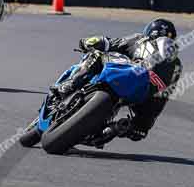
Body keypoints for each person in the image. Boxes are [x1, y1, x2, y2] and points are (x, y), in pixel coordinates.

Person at [52, 18, 182, 141]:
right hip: (143, 96)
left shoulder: (140, 39)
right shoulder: (176, 66)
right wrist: (144, 124)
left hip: (126, 74)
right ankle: (114, 128)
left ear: (149, 32)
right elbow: (163, 96)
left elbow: (108, 43)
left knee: (97, 54)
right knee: (138, 127)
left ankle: (72, 83)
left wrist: (86, 42)